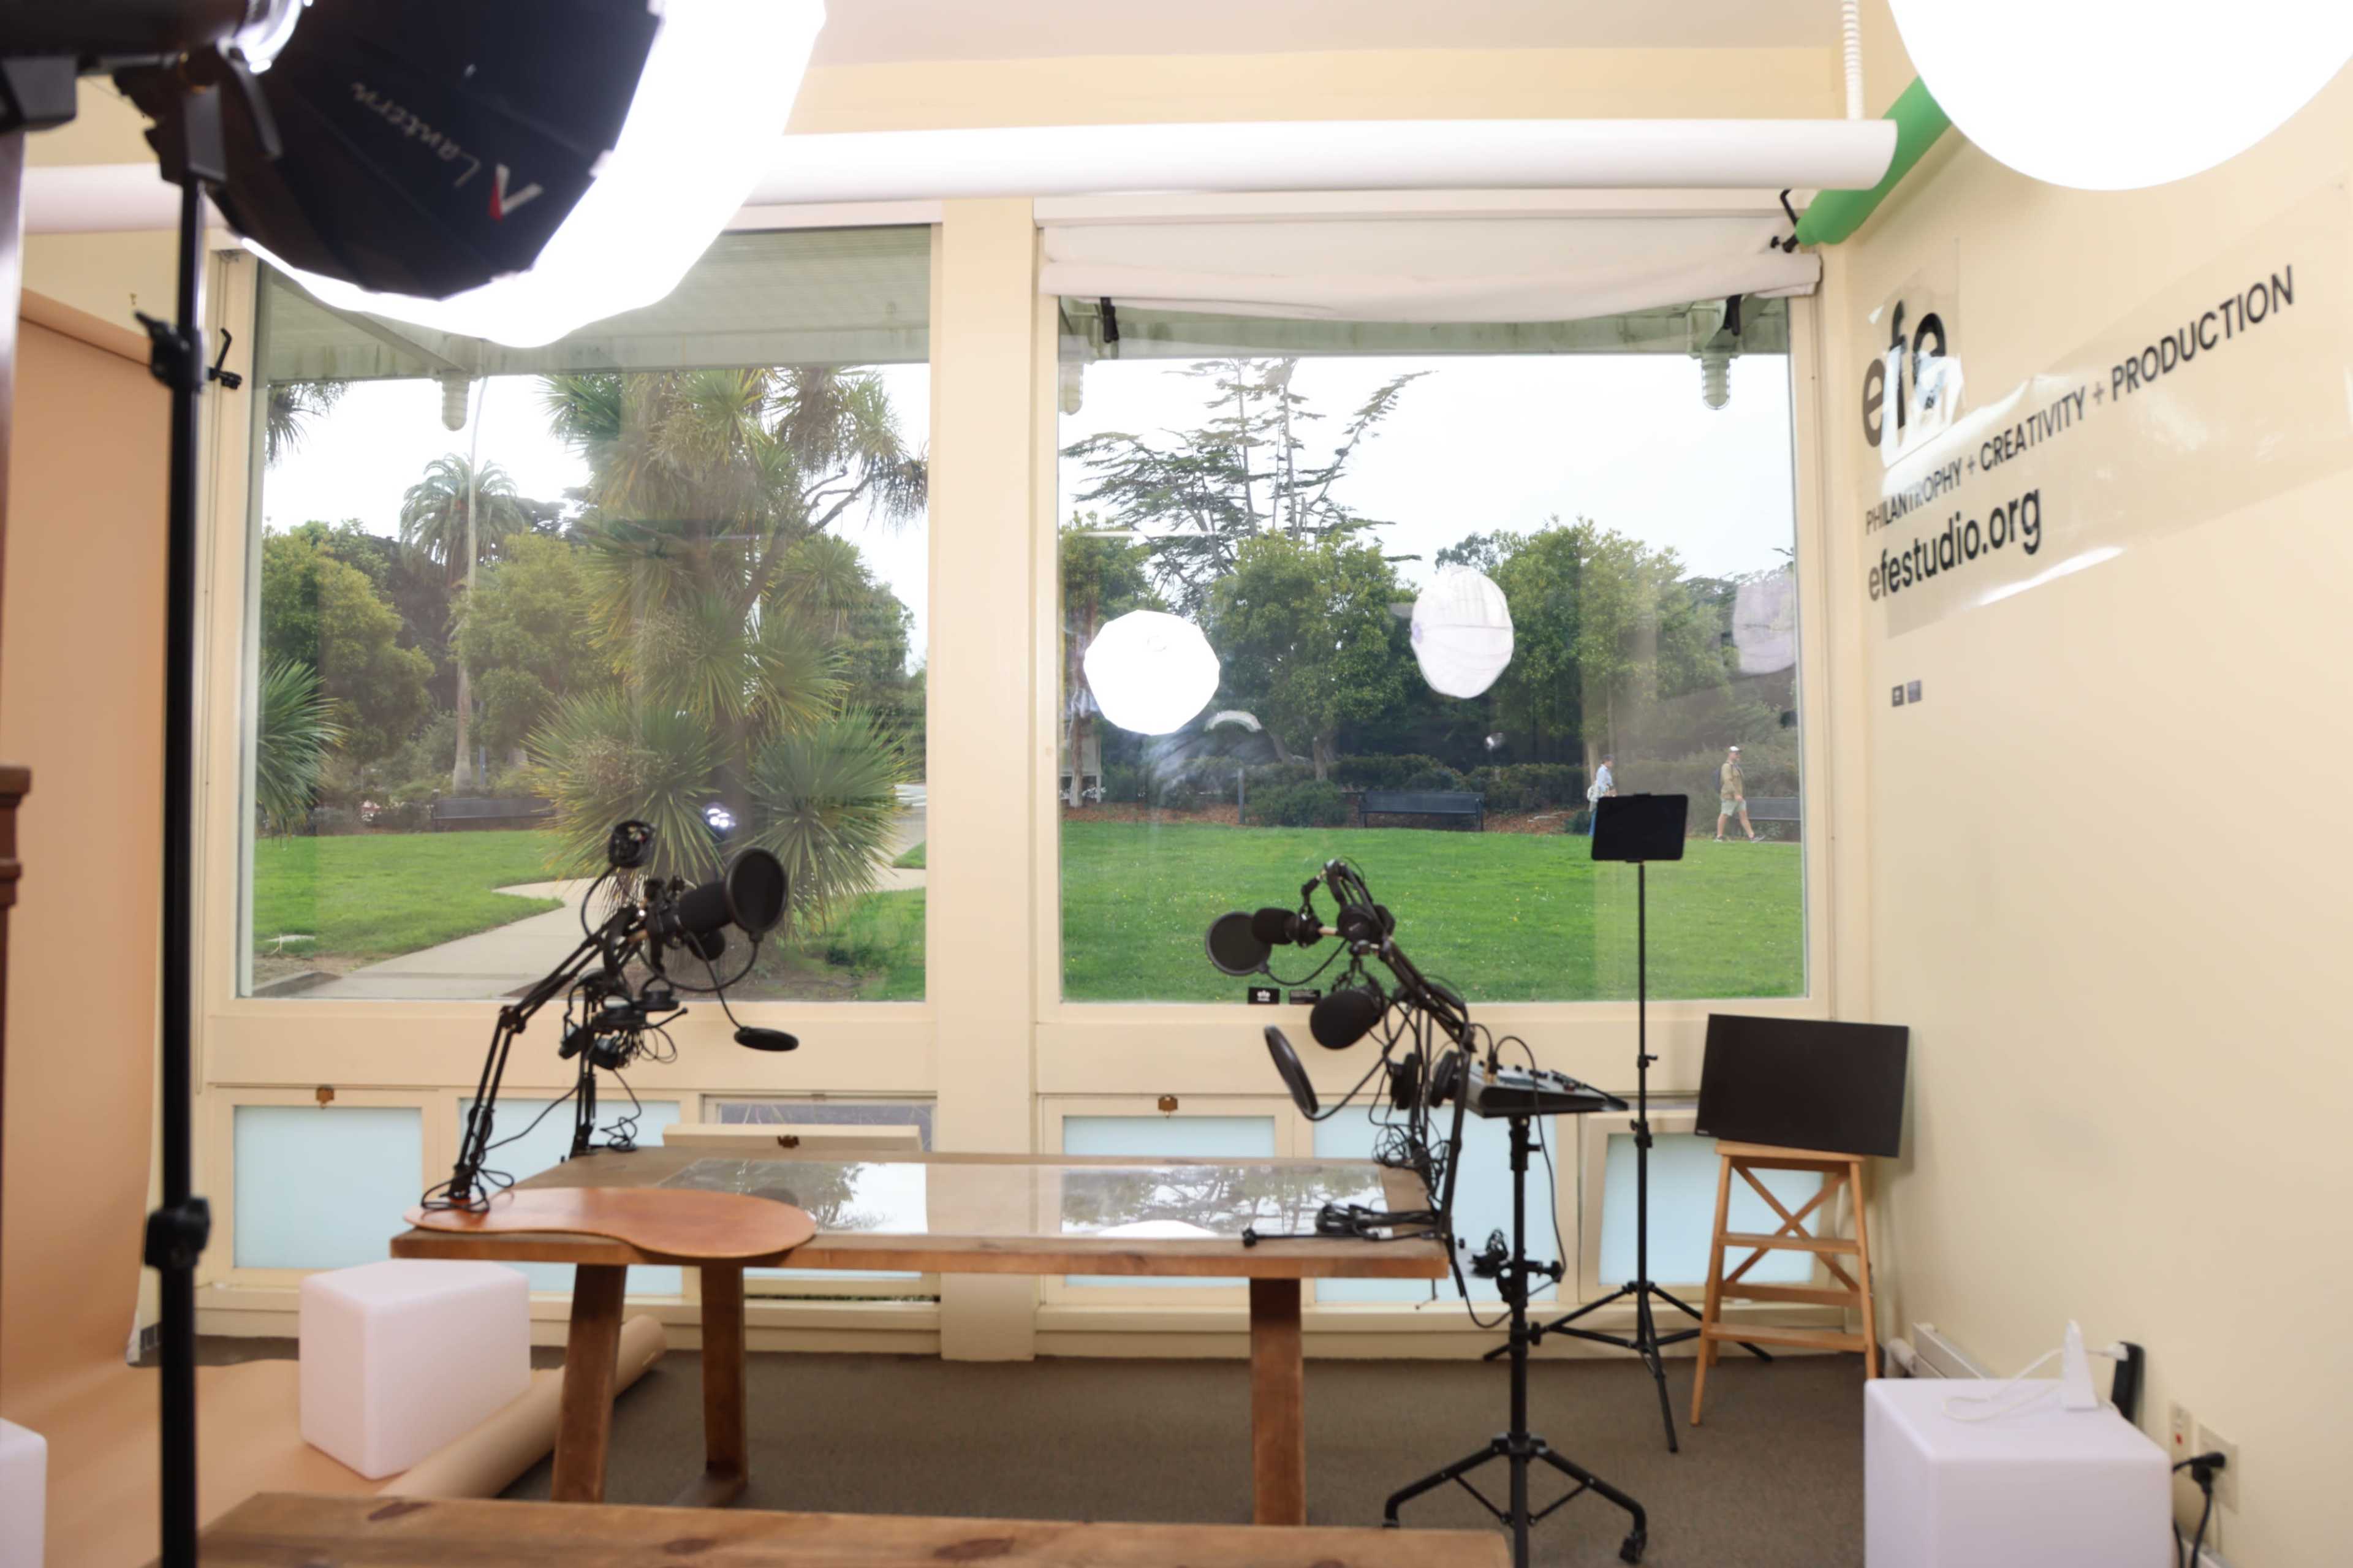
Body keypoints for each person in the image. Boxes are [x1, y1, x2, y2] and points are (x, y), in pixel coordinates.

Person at [1716, 744, 1757, 841]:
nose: (1738, 755)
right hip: (1730, 796)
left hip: (1739, 797)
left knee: (1744, 817)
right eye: (1736, 754)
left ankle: (1752, 837)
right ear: (1730, 754)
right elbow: (1727, 781)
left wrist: (1739, 795)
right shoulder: (1726, 766)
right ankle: (1719, 837)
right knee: (1725, 815)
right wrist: (1735, 794)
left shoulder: (1736, 767)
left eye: (1739, 754)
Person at [1583, 754, 1615, 834]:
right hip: (1600, 796)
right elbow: (1600, 784)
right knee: (1596, 814)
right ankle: (1592, 833)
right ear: (1606, 761)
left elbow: (1610, 783)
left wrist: (1613, 792)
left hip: (1604, 794)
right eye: (1611, 761)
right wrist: (1606, 793)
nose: (1612, 763)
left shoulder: (1606, 771)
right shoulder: (1602, 771)